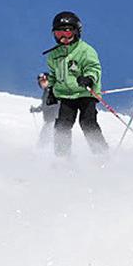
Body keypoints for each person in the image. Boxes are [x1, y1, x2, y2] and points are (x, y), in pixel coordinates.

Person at [44, 11, 109, 157]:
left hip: (85, 93)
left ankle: (102, 153)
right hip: (67, 96)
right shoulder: (53, 55)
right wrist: (51, 91)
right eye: (59, 34)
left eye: (67, 33)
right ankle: (62, 157)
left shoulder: (85, 50)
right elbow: (53, 75)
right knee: (62, 125)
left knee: (87, 122)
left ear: (77, 31)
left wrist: (89, 78)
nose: (63, 38)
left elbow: (94, 68)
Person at [29, 72, 59, 147]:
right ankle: (41, 154)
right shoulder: (46, 93)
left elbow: (59, 102)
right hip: (48, 121)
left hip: (55, 120)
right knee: (44, 139)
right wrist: (35, 109)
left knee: (53, 139)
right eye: (41, 82)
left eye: (44, 81)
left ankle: (60, 155)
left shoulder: (54, 90)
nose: (42, 84)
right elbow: (44, 106)